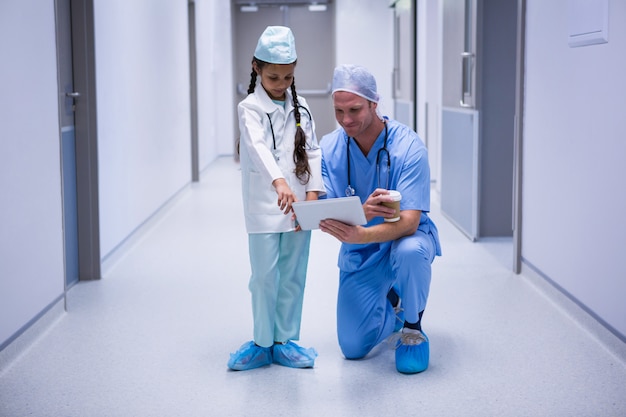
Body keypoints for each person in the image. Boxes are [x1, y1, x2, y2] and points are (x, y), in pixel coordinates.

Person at [318, 64, 441, 374]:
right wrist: (360, 214)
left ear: (374, 103)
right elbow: (324, 205)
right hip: (361, 251)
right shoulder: (330, 147)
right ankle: (392, 304)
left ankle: (412, 327)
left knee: (410, 252)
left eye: (355, 109)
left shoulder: (407, 147)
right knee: (353, 348)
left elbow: (410, 221)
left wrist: (361, 232)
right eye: (339, 110)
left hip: (402, 238)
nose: (346, 119)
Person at [228, 26, 325, 371]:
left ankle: (285, 341)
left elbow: (313, 152)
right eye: (273, 77)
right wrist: (280, 181)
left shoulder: (302, 108)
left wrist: (311, 195)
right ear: (256, 68)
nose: (281, 84)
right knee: (265, 277)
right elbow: (256, 148)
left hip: (299, 205)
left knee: (294, 273)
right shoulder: (249, 107)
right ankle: (261, 342)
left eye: (287, 77)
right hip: (265, 203)